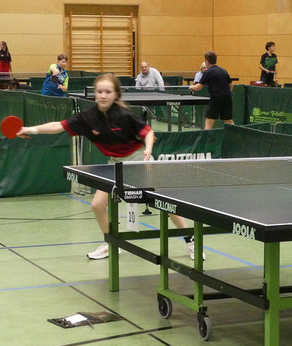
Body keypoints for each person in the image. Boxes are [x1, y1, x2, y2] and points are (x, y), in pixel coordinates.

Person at [16, 73, 203, 261]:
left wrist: (148, 148)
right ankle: (111, 243)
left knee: (165, 205)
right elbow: (59, 126)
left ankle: (190, 240)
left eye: (108, 92)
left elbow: (148, 132)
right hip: (115, 165)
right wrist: (30, 129)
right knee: (97, 205)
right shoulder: (88, 118)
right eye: (100, 92)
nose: (103, 95)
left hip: (139, 161)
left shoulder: (124, 115)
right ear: (95, 94)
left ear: (115, 95)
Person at [188, 50, 233, 130]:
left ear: (207, 61)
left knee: (209, 123)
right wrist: (226, 93)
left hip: (216, 99)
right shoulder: (223, 70)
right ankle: (236, 136)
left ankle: (206, 137)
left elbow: (198, 87)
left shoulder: (208, 72)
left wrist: (191, 87)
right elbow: (231, 85)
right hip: (227, 98)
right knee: (229, 121)